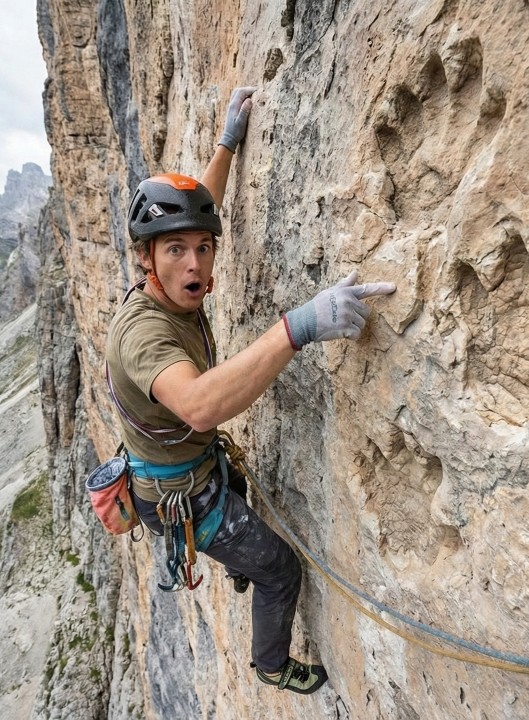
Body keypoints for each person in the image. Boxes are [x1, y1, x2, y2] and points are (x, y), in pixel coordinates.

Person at [105, 86, 396, 695]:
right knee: (279, 568)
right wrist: (298, 327)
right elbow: (202, 404)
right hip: (175, 497)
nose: (194, 265)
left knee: (236, 490)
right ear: (146, 259)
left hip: (193, 467)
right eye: (176, 251)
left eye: (203, 250)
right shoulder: (143, 335)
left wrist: (228, 143)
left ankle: (236, 560)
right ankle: (270, 663)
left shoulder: (176, 285)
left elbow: (201, 206)